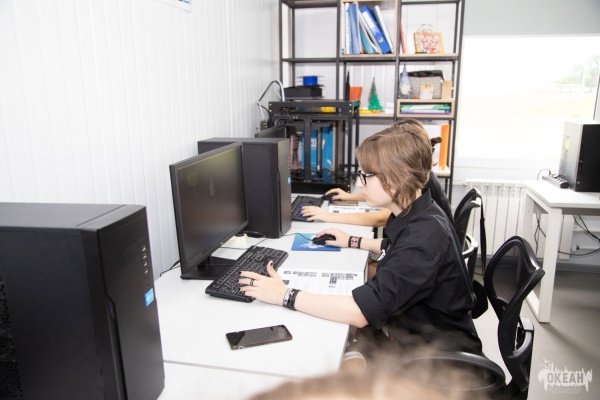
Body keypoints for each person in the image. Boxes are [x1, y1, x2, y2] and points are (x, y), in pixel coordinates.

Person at [239, 122, 482, 356]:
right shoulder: (419, 211)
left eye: (366, 176)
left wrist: (284, 294)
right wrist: (351, 241)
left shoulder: (421, 241)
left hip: (437, 364)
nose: (359, 183)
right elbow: (393, 246)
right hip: (415, 337)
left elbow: (359, 312)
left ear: (396, 179)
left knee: (323, 349)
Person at [299, 120, 454, 227]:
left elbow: (380, 218)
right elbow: (385, 189)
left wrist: (327, 216)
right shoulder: (419, 172)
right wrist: (349, 197)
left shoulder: (417, 181)